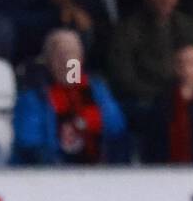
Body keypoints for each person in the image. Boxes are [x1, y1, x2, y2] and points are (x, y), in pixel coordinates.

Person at [12, 28, 126, 165]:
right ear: (48, 61)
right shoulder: (33, 97)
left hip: (98, 172)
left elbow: (116, 130)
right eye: (59, 55)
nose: (66, 61)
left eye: (71, 54)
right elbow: (30, 145)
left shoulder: (98, 91)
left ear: (81, 59)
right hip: (52, 176)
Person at [144, 43, 193, 164]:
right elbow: (153, 145)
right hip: (170, 171)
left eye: (191, 63)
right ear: (175, 67)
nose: (186, 68)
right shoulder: (163, 102)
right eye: (181, 63)